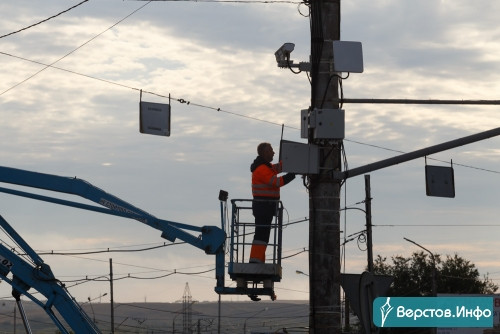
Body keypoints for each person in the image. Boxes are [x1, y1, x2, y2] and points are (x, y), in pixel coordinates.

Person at [249, 142, 295, 263]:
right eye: (271, 150)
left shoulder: (266, 167)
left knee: (263, 235)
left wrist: (291, 162)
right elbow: (276, 182)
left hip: (265, 207)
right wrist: (292, 174)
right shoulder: (261, 169)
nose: (274, 152)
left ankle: (258, 260)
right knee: (261, 235)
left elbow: (277, 168)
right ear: (265, 153)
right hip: (263, 207)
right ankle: (255, 260)